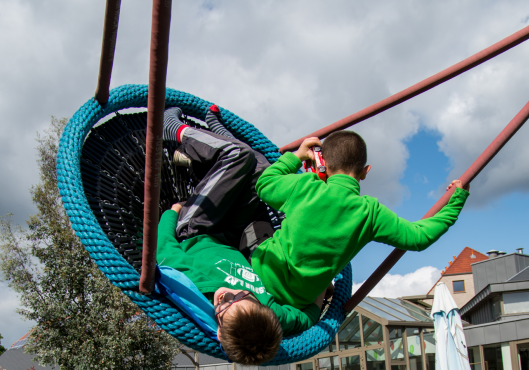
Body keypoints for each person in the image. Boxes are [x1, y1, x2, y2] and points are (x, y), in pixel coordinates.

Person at [156, 106, 323, 365]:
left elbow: (165, 251)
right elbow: (307, 317)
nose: (226, 295)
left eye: (223, 307)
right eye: (244, 295)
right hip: (235, 233)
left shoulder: (196, 286)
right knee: (261, 171)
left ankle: (176, 132)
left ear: (220, 332)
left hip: (196, 227)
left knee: (239, 155)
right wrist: (321, 286)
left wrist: (171, 213)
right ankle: (209, 149)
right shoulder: (273, 314)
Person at [251, 131, 470, 313]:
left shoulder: (306, 185)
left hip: (262, 274)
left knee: (256, 215)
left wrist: (297, 156)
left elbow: (265, 183)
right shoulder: (370, 212)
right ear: (365, 172)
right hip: (299, 299)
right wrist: (455, 202)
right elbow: (419, 237)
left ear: (322, 163)